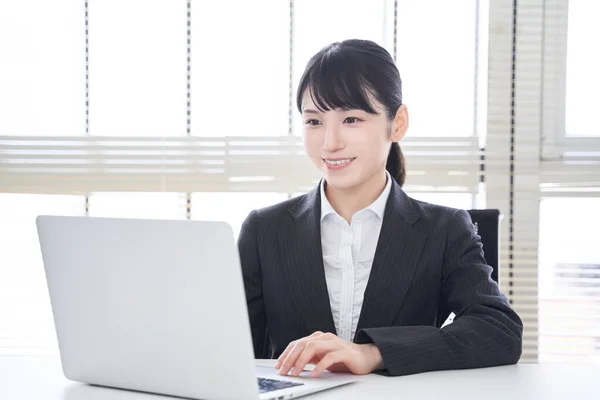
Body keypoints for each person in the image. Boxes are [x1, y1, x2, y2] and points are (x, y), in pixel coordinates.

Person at [237, 39, 522, 378]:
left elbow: (499, 330)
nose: (330, 143)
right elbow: (232, 349)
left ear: (397, 123)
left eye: (352, 119)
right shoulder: (264, 230)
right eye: (314, 122)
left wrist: (374, 353)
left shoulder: (443, 229)